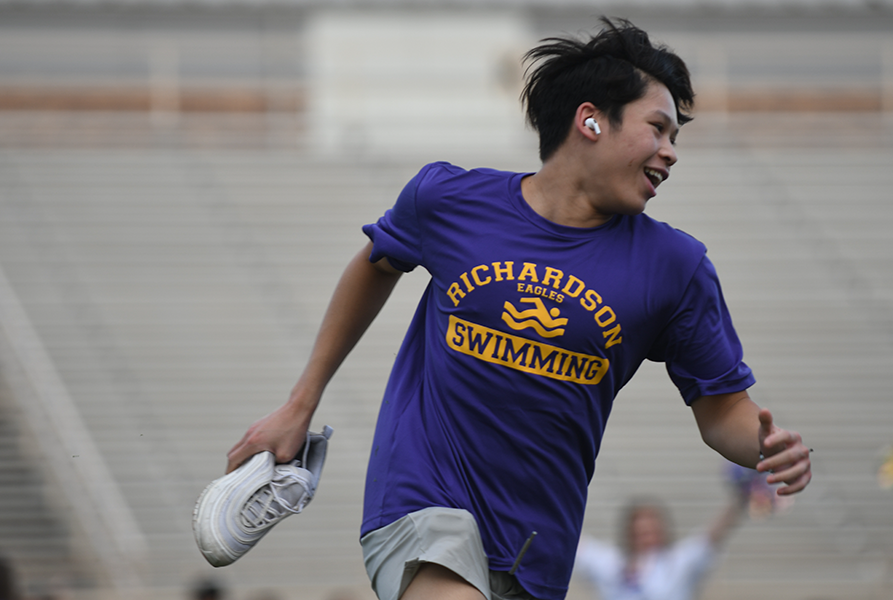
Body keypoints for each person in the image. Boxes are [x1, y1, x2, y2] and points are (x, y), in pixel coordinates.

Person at [222, 17, 812, 600]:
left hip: (538, 544)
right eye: (658, 128)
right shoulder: (448, 199)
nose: (670, 152)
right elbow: (374, 265)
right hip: (422, 503)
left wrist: (765, 446)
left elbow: (722, 411)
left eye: (675, 138)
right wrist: (300, 404)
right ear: (590, 121)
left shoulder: (675, 266)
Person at [573, 490, 750, 600]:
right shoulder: (611, 563)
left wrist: (742, 498)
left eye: (652, 532)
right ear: (629, 534)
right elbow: (576, 545)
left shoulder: (677, 563)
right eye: (641, 534)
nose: (647, 539)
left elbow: (711, 537)